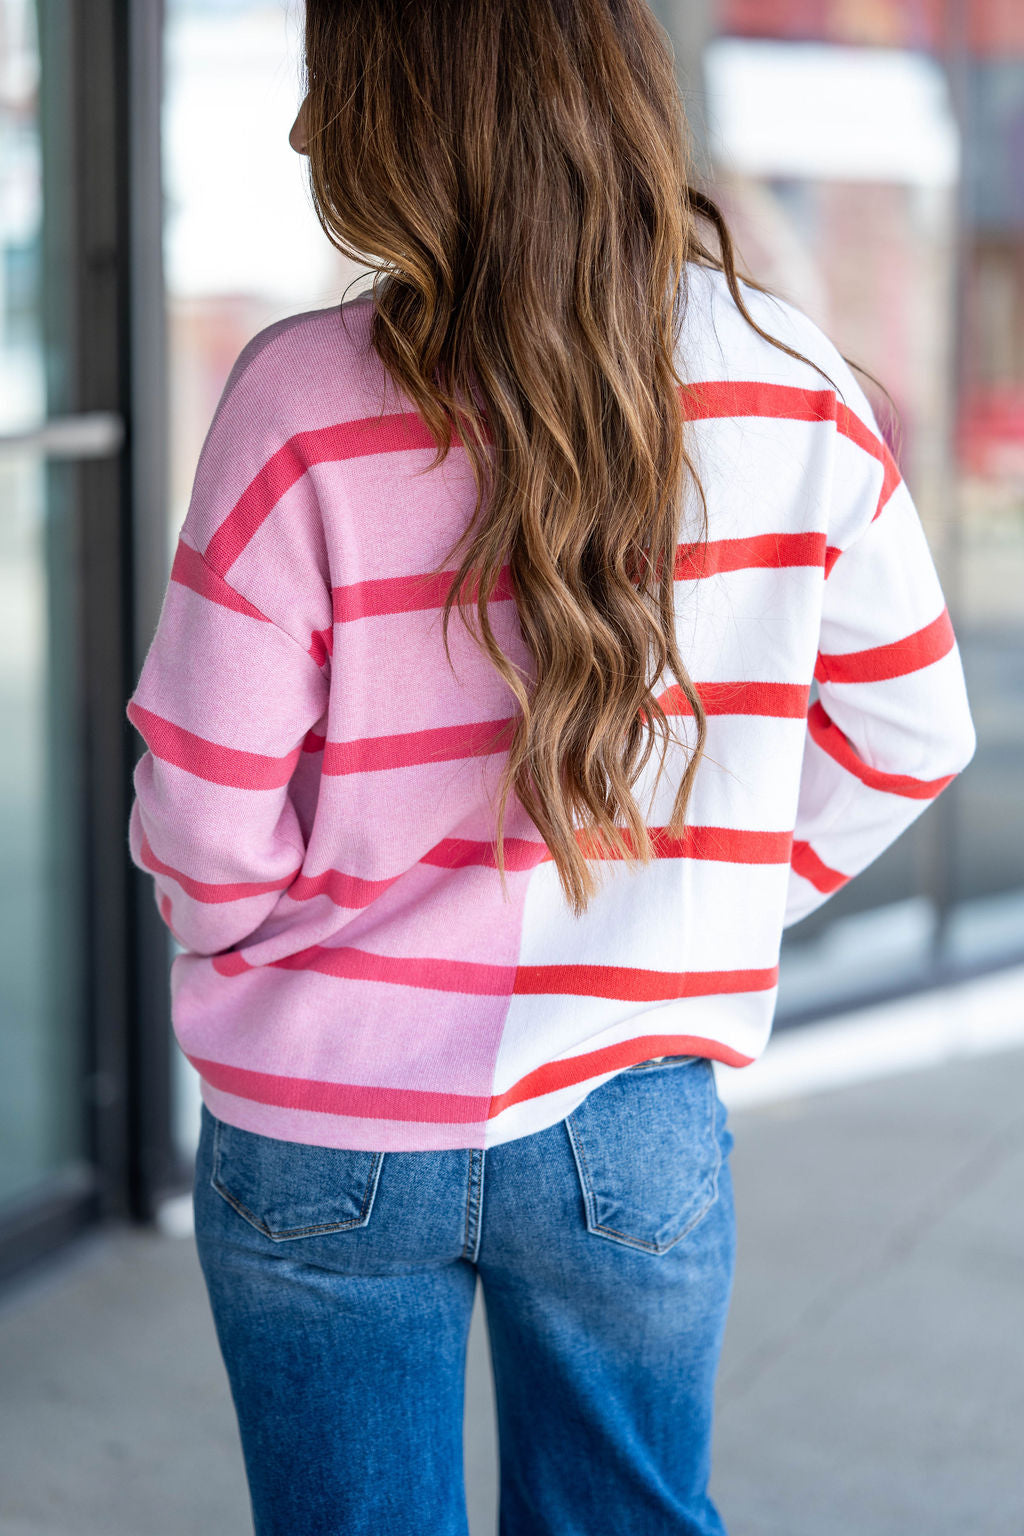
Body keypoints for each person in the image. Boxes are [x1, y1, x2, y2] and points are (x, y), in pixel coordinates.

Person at [124, 3, 977, 1532]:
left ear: (408, 119)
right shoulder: (790, 378)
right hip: (630, 1115)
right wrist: (705, 907)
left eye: (330, 89)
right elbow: (914, 730)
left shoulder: (298, 395)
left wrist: (253, 939)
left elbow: (204, 808)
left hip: (323, 1104)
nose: (307, 130)